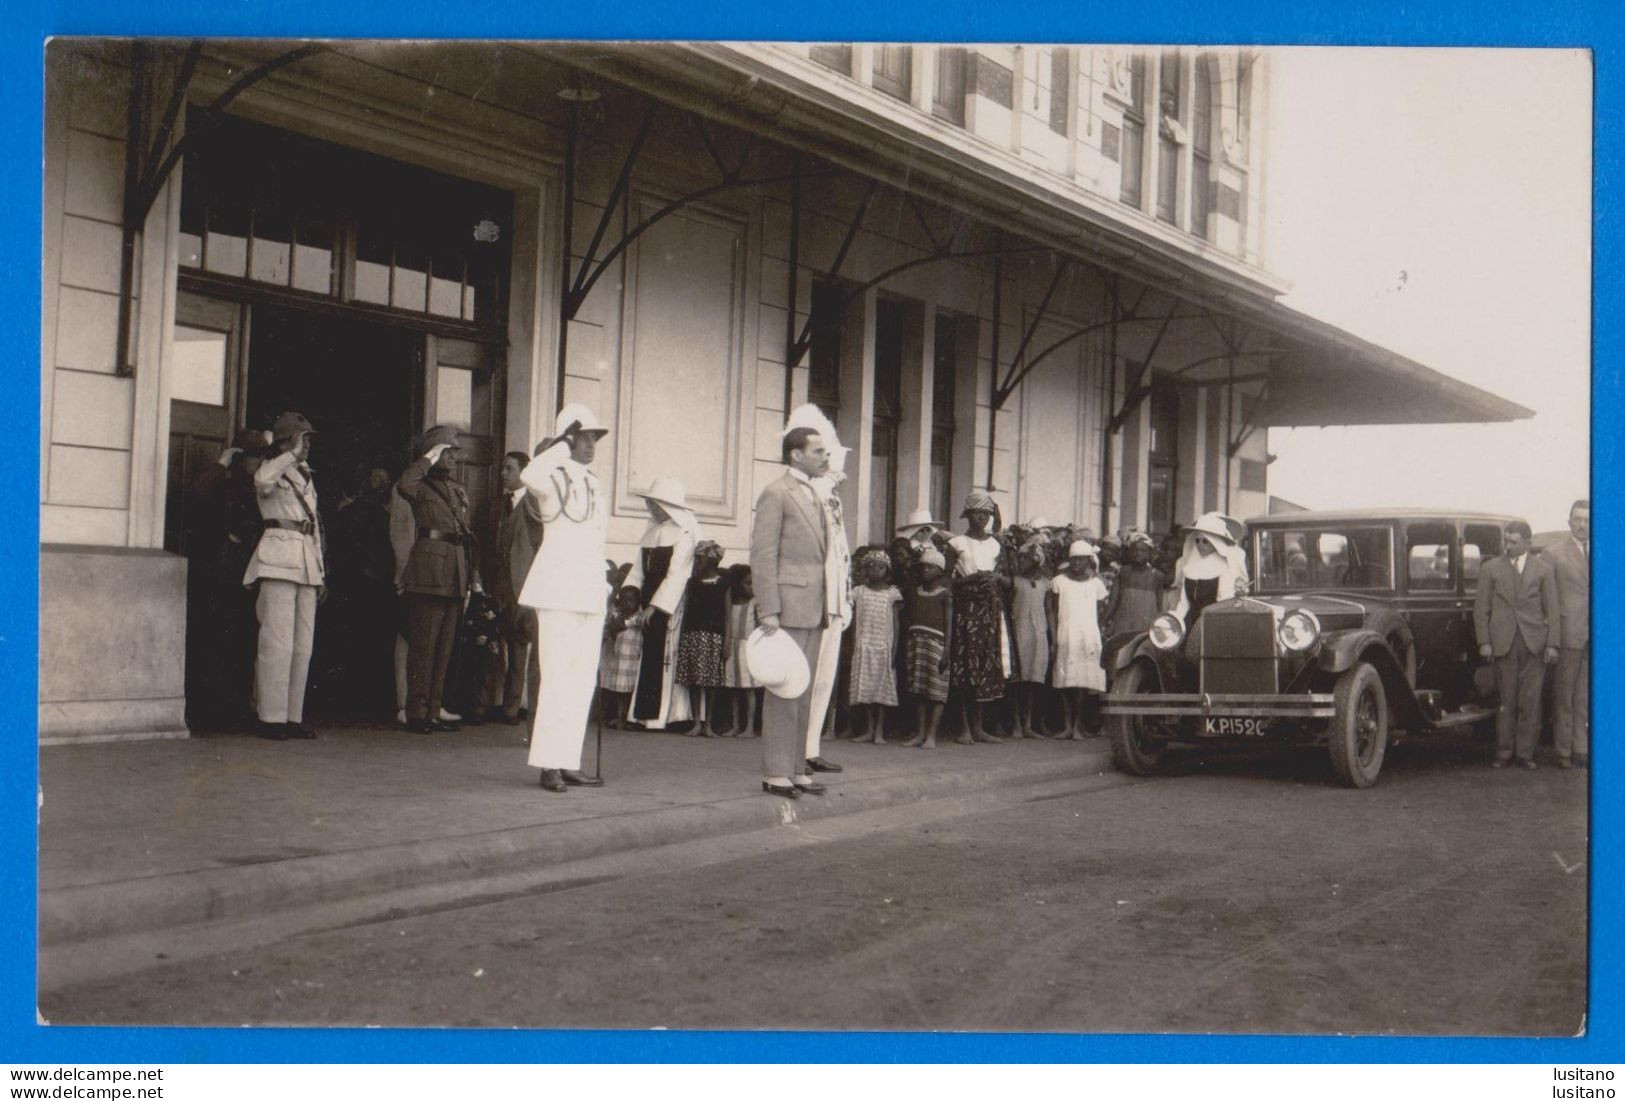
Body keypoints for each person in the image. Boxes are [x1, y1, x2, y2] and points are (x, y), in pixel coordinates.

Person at [519, 404, 611, 791]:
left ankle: (569, 759)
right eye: (585, 436)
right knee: (556, 678)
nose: (592, 445)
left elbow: (596, 538)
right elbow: (529, 473)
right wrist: (560, 443)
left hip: (589, 590)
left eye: (594, 437)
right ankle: (548, 764)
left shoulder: (593, 482)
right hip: (557, 590)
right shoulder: (549, 475)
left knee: (581, 680)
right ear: (570, 437)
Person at [750, 423, 837, 798]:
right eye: (818, 451)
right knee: (784, 688)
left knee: (804, 689)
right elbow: (763, 554)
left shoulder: (817, 494)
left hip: (815, 605)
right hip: (787, 606)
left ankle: (798, 768)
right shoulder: (776, 493)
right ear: (795, 454)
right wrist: (768, 608)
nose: (826, 458)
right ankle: (776, 772)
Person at [241, 412, 325, 741]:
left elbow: (313, 525)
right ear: (286, 441)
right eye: (301, 439)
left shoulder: (305, 475)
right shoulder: (272, 470)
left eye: (308, 440)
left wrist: (319, 570)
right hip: (277, 558)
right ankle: (270, 717)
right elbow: (261, 483)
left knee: (302, 645)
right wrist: (287, 453)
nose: (307, 446)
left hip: (305, 562)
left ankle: (292, 715)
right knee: (276, 642)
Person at [397, 425, 478, 735]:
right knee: (424, 646)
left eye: (456, 452)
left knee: (443, 648)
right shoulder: (421, 484)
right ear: (435, 453)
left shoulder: (456, 489)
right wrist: (427, 459)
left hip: (456, 571)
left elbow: (465, 535)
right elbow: (404, 485)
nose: (455, 458)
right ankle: (416, 712)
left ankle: (432, 710)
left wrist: (472, 578)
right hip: (429, 573)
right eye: (449, 451)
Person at [1473, 519, 1561, 770]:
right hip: (1503, 644)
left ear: (1528, 543)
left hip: (1534, 643)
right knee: (1506, 701)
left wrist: (1553, 644)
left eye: (1513, 542)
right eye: (1506, 541)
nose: (1507, 546)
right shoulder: (1490, 569)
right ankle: (1504, 752)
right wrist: (1484, 642)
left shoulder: (1543, 570)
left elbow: (1553, 610)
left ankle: (1525, 754)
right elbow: (1481, 610)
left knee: (1530, 702)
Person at [624, 476, 700, 730]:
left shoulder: (684, 532)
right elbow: (638, 569)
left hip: (668, 603)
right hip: (649, 601)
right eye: (650, 503)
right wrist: (630, 594)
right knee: (648, 656)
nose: (651, 508)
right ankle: (642, 715)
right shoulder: (652, 531)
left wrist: (654, 606)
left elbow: (677, 574)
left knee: (666, 657)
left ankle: (668, 716)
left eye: (656, 503)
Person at [948, 491, 1012, 745]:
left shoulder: (997, 545)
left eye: (985, 513)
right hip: (966, 610)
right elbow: (946, 580)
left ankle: (978, 727)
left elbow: (1009, 579)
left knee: (985, 665)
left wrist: (995, 578)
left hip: (989, 610)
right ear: (967, 514)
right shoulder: (956, 544)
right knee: (965, 666)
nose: (981, 518)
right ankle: (963, 727)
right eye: (976, 513)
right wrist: (970, 579)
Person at [489, 450, 543, 726]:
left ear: (524, 472)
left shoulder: (535, 504)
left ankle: (527, 709)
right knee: (512, 646)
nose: (503, 473)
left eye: (509, 469)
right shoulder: (500, 505)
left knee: (528, 647)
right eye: (503, 468)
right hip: (505, 587)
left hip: (528, 586)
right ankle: (509, 707)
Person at [1543, 500, 1589, 769]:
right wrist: (1553, 637)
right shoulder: (1553, 554)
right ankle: (1563, 752)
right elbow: (1547, 600)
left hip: (1595, 635)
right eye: (1578, 519)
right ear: (1569, 521)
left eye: (1587, 520)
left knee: (1585, 695)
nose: (1582, 525)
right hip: (1568, 633)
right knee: (1564, 695)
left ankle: (1581, 748)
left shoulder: (1605, 550)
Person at [1053, 539, 1109, 740]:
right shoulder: (1059, 581)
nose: (1076, 563)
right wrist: (1054, 636)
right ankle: (1067, 726)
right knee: (1066, 681)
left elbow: (1101, 611)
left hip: (1088, 635)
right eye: (1073, 559)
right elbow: (1053, 610)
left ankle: (1079, 726)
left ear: (1089, 560)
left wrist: (1094, 629)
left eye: (1080, 560)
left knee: (1083, 683)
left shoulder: (1096, 584)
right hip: (1066, 634)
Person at [847, 547, 903, 745]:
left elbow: (895, 623)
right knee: (867, 690)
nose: (875, 571)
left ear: (886, 570)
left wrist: (894, 649)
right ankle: (869, 730)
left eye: (880, 567)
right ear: (866, 570)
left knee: (881, 690)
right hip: (864, 646)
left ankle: (879, 731)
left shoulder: (892, 594)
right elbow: (853, 621)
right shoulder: (859, 592)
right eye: (871, 567)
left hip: (883, 648)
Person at [675, 540, 730, 737]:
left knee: (711, 682)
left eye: (701, 559)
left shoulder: (723, 583)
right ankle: (696, 722)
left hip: (714, 636)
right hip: (693, 634)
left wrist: (727, 641)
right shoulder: (692, 583)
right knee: (694, 680)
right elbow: (687, 610)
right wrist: (682, 637)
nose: (697, 562)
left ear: (712, 561)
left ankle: (708, 724)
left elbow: (727, 614)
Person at [900, 546, 952, 749]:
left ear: (940, 570)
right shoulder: (914, 592)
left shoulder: (945, 594)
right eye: (923, 567)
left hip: (936, 645)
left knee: (936, 691)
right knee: (919, 691)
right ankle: (920, 734)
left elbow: (949, 623)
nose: (925, 571)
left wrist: (947, 650)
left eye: (930, 568)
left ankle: (931, 735)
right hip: (916, 643)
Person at [1170, 512, 1250, 629]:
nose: (1200, 545)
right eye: (1197, 540)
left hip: (1217, 624)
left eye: (1205, 541)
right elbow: (1183, 604)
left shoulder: (1225, 566)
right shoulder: (1190, 565)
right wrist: (1176, 621)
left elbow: (1225, 601)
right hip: (1191, 623)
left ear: (1215, 543)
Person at [1009, 538, 1053, 739]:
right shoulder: (1015, 582)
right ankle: (1017, 724)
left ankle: (1028, 724)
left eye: (1025, 558)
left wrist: (1053, 636)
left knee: (1034, 682)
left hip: (1039, 634)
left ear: (1036, 561)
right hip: (1020, 633)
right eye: (1020, 558)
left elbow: (1049, 610)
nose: (1021, 562)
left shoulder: (1045, 584)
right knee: (1019, 681)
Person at [722, 564, 762, 737]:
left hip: (749, 647)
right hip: (733, 646)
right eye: (747, 583)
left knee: (749, 688)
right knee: (733, 688)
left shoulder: (755, 602)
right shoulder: (731, 600)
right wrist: (726, 644)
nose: (751, 587)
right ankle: (736, 725)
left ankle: (750, 727)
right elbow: (728, 622)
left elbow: (760, 626)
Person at [599, 585, 645, 731]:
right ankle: (614, 717)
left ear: (638, 601)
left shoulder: (639, 616)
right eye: (624, 600)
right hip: (617, 658)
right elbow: (609, 631)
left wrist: (617, 623)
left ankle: (622, 719)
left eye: (631, 600)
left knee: (626, 692)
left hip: (631, 659)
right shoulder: (616, 614)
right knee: (616, 689)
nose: (627, 604)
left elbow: (626, 625)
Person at [1104, 530, 1165, 638]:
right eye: (1135, 550)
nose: (1138, 553)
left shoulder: (1157, 576)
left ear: (1150, 553)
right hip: (1124, 623)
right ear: (1130, 552)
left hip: (1146, 624)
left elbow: (1160, 605)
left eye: (1143, 550)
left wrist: (1160, 627)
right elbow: (1114, 601)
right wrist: (1104, 621)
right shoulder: (1123, 572)